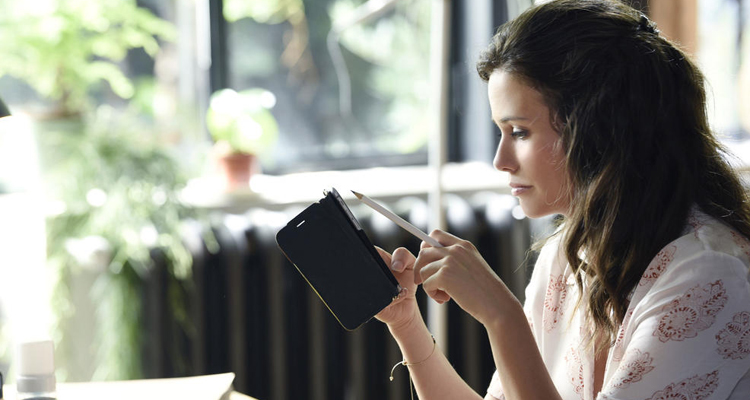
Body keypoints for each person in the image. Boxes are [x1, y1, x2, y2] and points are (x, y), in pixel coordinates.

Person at [375, 0, 750, 399]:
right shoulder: (569, 254)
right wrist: (407, 324)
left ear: (597, 129)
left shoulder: (710, 275)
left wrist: (502, 318)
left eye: (518, 131)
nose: (500, 161)